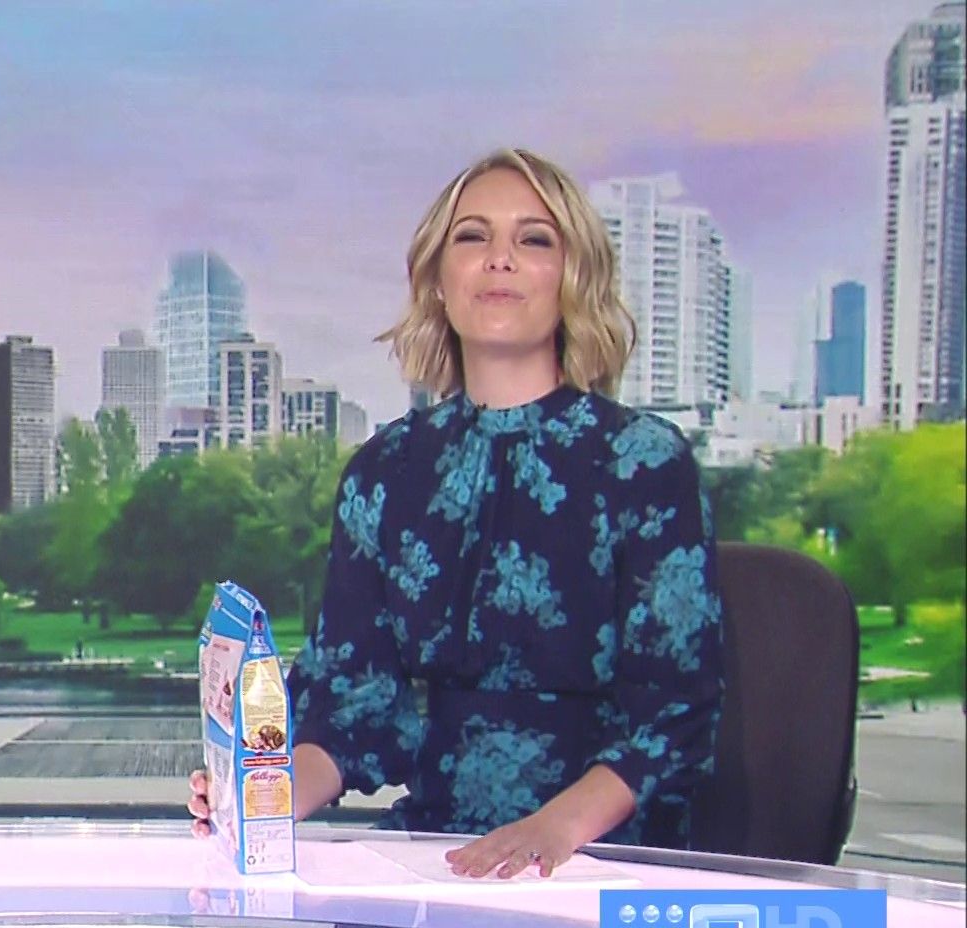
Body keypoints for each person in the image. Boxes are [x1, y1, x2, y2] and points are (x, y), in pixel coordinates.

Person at [188, 148, 722, 878]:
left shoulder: (645, 462)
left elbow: (675, 715)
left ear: (573, 278)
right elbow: (351, 702)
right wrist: (262, 798)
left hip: (607, 856)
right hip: (438, 849)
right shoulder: (386, 471)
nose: (500, 258)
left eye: (534, 239)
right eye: (473, 236)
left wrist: (554, 831)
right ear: (439, 280)